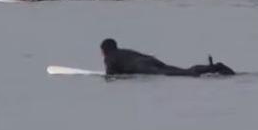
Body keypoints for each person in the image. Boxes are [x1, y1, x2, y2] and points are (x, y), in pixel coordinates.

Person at [100, 38, 234, 77]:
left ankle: (210, 69)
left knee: (184, 74)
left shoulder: (109, 57)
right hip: (151, 60)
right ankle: (212, 68)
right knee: (183, 70)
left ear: (104, 50)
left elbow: (110, 75)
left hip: (142, 67)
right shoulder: (125, 51)